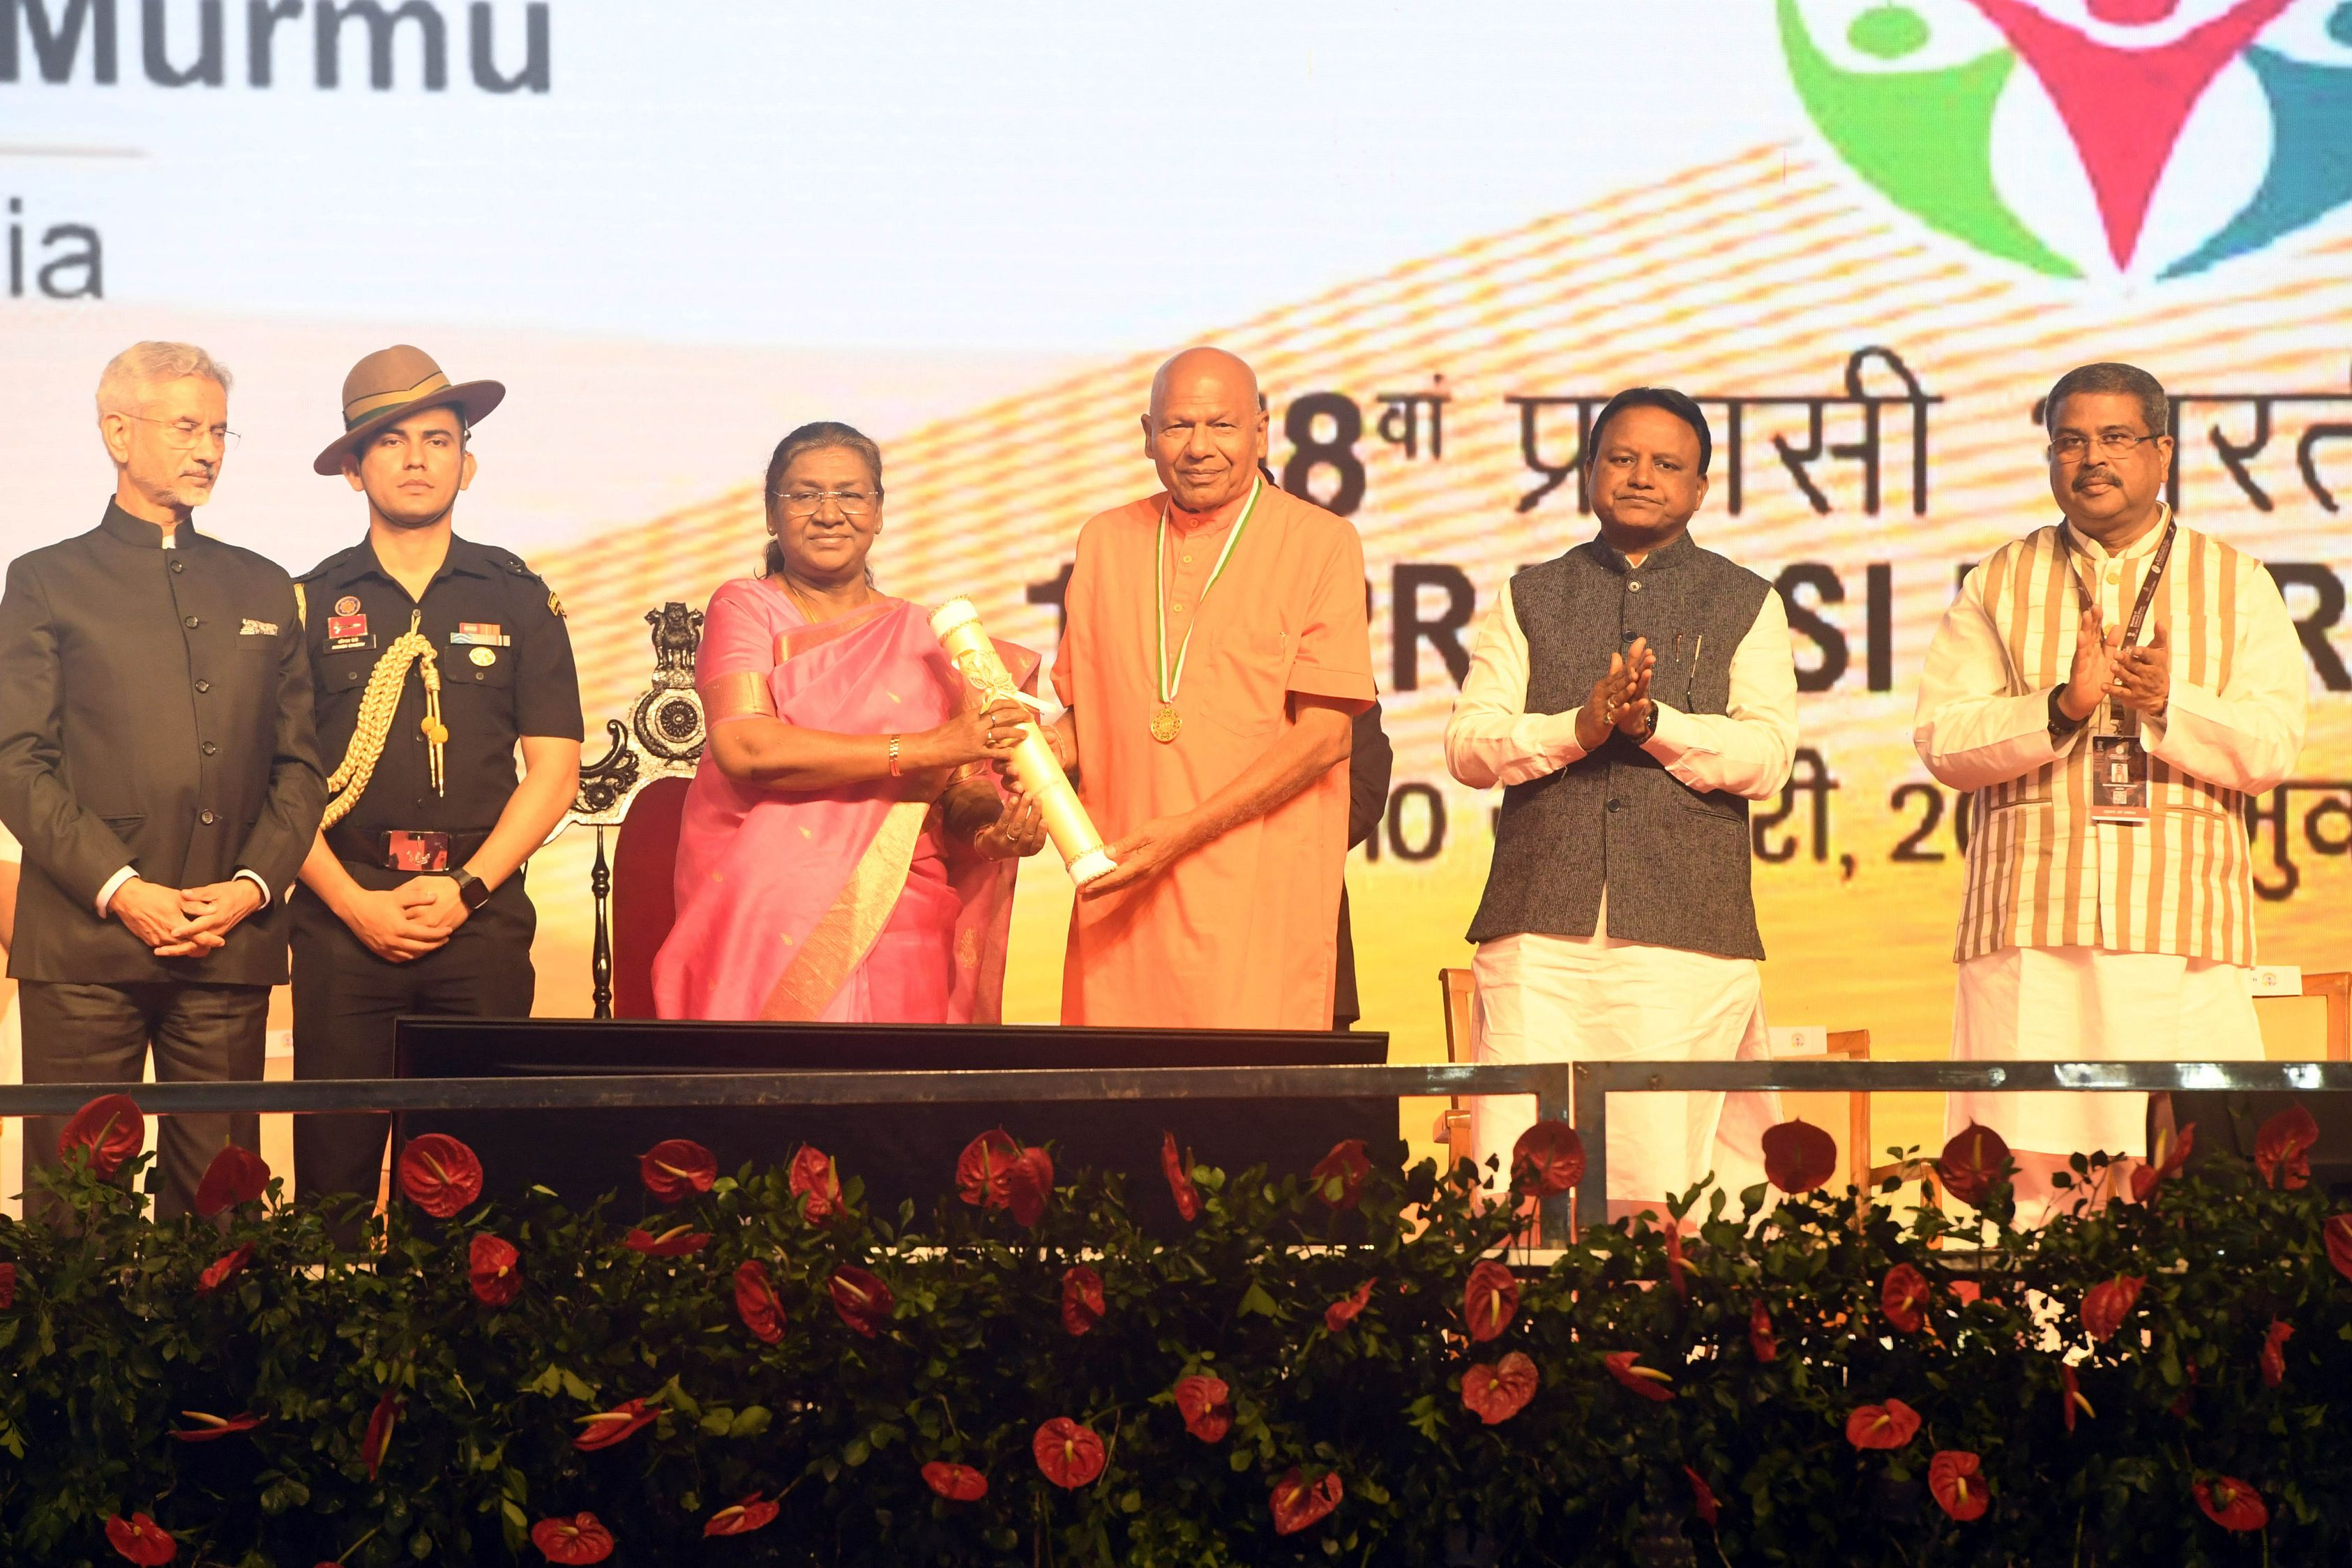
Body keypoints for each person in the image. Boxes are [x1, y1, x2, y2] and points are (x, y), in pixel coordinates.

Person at [1915, 362, 2306, 1214]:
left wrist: (2170, 702)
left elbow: (2274, 744)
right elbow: (1943, 738)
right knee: (2022, 1183)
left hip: (2180, 927)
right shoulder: (2000, 579)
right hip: (2030, 920)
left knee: (2191, 1180)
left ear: (2163, 451)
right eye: (2070, 441)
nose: (2092, 457)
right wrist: (2060, 706)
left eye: (2116, 438)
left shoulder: (2235, 581)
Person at [1445, 389, 1797, 1220]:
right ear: (1589, 470)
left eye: (1667, 464)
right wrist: (1578, 727)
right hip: (1539, 937)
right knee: (1515, 1184)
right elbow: (1469, 746)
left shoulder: (1747, 599)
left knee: (1659, 1186)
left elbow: (1768, 758)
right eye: (1623, 458)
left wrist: (1653, 725)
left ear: (1701, 488)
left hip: (1681, 941)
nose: (1642, 476)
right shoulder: (1530, 594)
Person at [0, 342, 324, 1221]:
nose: (208, 449)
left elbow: (301, 768)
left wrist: (250, 888)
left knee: (221, 1220)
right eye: (186, 427)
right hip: (84, 945)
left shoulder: (263, 584)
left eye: (220, 431)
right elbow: (17, 760)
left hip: (228, 941)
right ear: (117, 432)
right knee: (76, 1222)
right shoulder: (46, 579)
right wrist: (123, 889)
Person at [289, 346, 583, 1235]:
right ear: (353, 468)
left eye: (438, 439)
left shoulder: (520, 597)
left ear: (468, 462)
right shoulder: (306, 603)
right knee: (333, 1189)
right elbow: (277, 785)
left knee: (471, 1191)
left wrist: (465, 891)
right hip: (342, 919)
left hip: (478, 919)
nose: (416, 459)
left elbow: (555, 773)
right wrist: (354, 904)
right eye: (390, 441)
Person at [652, 421, 1048, 1023]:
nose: (829, 513)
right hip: (770, 910)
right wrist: (926, 747)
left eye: (851, 495)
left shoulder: (926, 637)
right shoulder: (745, 607)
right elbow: (746, 747)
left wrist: (993, 833)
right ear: (771, 514)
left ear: (879, 512)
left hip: (904, 914)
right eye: (804, 495)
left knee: (895, 1081)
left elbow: (962, 788)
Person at [1045, 349, 1375, 1031]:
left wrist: (1182, 834)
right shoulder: (1104, 541)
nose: (1199, 448)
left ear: (1261, 432)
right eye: (1178, 426)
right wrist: (1035, 754)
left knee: (1243, 1096)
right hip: (1122, 895)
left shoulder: (1321, 542)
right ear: (1148, 435)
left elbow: (1326, 738)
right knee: (1114, 1095)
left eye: (1221, 426)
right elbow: (1091, 718)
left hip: (1254, 902)